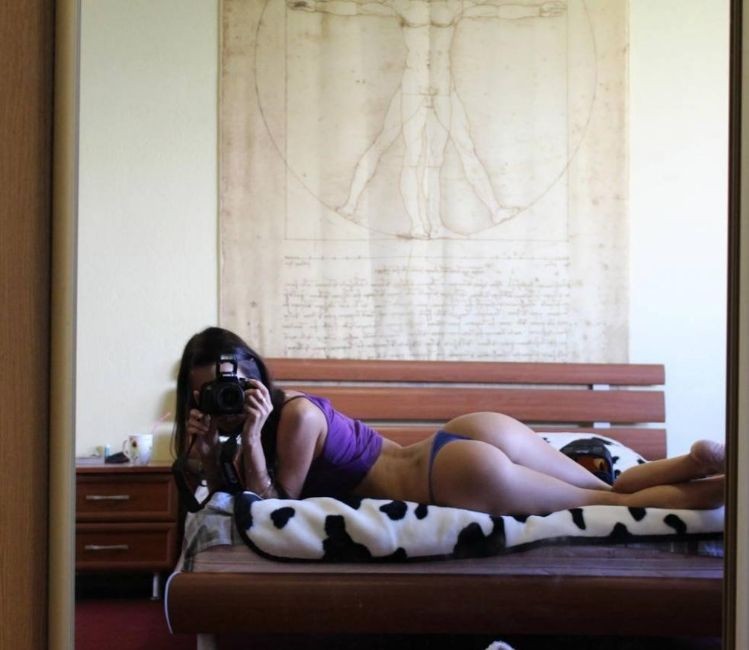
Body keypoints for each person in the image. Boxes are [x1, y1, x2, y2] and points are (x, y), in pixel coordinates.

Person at [174, 327, 725, 515]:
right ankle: (698, 462)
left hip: (448, 475)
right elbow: (230, 495)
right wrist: (205, 456)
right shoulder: (287, 414)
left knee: (611, 505)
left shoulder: (293, 418)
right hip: (467, 434)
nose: (222, 402)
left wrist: (249, 435)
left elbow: (273, 509)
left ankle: (726, 490)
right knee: (607, 491)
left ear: (254, 377)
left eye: (228, 387)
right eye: (207, 395)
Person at [287, 0, 565, 238]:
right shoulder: (404, 4)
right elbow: (359, 7)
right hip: (413, 88)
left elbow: (495, 10)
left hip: (444, 88)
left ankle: (493, 210)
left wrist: (538, 9)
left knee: (462, 149)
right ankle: (385, 216)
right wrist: (314, 5)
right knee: (406, 154)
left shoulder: (455, 4)